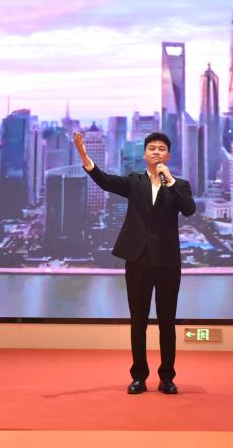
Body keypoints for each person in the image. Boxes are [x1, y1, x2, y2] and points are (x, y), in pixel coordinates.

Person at [74, 131, 196, 395]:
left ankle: (167, 377)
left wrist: (170, 180)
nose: (156, 152)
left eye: (161, 148)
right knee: (138, 321)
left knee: (167, 322)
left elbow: (189, 209)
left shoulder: (180, 185)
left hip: (167, 261)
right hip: (138, 259)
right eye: (152, 148)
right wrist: (84, 156)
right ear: (144, 154)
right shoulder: (134, 181)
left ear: (168, 155)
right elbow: (105, 182)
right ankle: (139, 376)